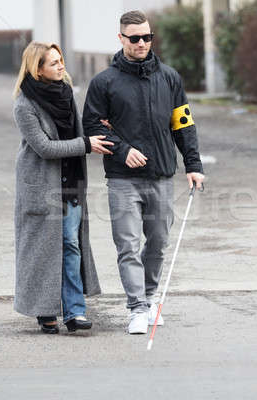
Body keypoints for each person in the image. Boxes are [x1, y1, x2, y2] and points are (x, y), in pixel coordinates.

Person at [83, 10, 205, 334]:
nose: (141, 43)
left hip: (163, 176)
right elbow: (92, 125)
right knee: (127, 244)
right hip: (123, 181)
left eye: (146, 37)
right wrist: (123, 151)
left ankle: (151, 299)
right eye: (134, 38)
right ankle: (136, 308)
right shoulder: (104, 82)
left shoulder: (170, 78)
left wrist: (193, 165)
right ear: (121, 38)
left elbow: (184, 124)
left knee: (158, 242)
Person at [12, 41, 113, 334]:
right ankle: (45, 310)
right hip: (42, 186)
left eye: (61, 60)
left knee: (71, 246)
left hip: (70, 185)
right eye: (54, 63)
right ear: (38, 69)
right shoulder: (24, 104)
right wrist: (85, 145)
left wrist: (100, 130)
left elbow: (78, 130)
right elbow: (44, 147)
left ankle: (75, 311)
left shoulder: (66, 93)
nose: (61, 66)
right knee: (43, 251)